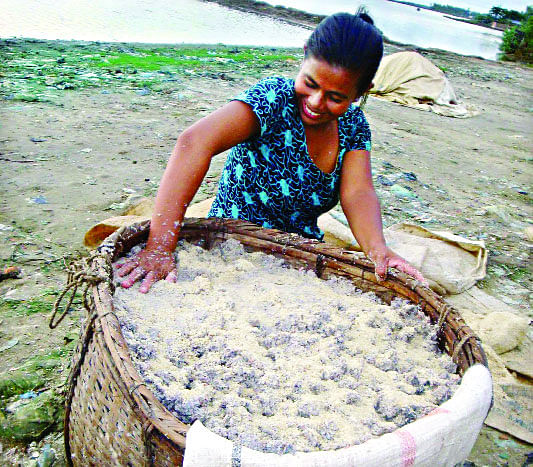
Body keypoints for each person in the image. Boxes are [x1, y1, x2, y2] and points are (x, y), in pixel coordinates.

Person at [116, 11, 427, 293]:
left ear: (362, 92)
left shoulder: (354, 127)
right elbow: (194, 143)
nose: (317, 102)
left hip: (298, 257)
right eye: (310, 83)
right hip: (230, 245)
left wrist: (377, 249)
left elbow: (358, 193)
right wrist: (159, 246)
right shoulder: (273, 101)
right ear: (305, 55)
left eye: (335, 97)